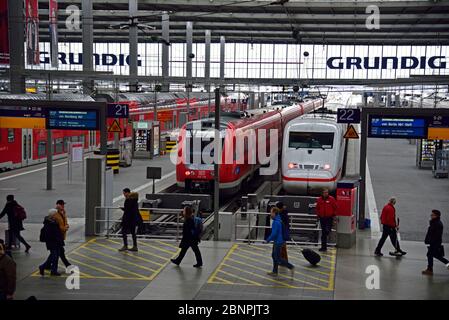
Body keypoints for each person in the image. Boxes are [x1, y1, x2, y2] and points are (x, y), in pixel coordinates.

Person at [266, 207, 294, 276]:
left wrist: (268, 239)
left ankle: (290, 266)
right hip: (278, 241)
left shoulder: (276, 222)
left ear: (274, 213)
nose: (270, 214)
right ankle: (275, 271)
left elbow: (274, 233)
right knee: (274, 256)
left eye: (271, 212)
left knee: (278, 258)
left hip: (278, 242)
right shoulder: (279, 220)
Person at [422, 209, 449, 276]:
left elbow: (437, 235)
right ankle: (430, 269)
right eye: (431, 214)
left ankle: (430, 270)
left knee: (431, 255)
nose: (431, 215)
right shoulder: (434, 222)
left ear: (436, 216)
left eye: (432, 214)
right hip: (433, 242)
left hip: (435, 243)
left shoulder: (438, 224)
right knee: (435, 255)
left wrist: (431, 241)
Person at [39, 210, 64, 277]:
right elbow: (50, 234)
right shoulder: (49, 223)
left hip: (57, 241)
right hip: (53, 242)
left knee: (55, 256)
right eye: (55, 214)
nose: (57, 216)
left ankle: (53, 270)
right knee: (54, 256)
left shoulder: (53, 221)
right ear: (52, 215)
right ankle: (43, 267)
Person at [51, 200, 71, 269]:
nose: (63, 206)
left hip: (60, 237)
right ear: (58, 205)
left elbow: (64, 222)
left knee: (55, 253)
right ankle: (68, 265)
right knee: (60, 253)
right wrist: (65, 228)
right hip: (57, 237)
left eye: (63, 205)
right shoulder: (55, 214)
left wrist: (67, 225)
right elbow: (57, 227)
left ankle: (45, 265)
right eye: (62, 205)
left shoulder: (62, 213)